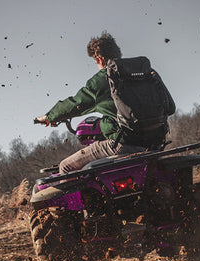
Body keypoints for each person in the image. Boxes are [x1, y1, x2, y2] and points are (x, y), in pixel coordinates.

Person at [34, 32, 169, 173]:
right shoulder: (147, 72)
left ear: (99, 59)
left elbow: (76, 104)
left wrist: (50, 116)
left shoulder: (105, 78)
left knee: (65, 166)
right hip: (155, 142)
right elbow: (171, 107)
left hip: (123, 144)